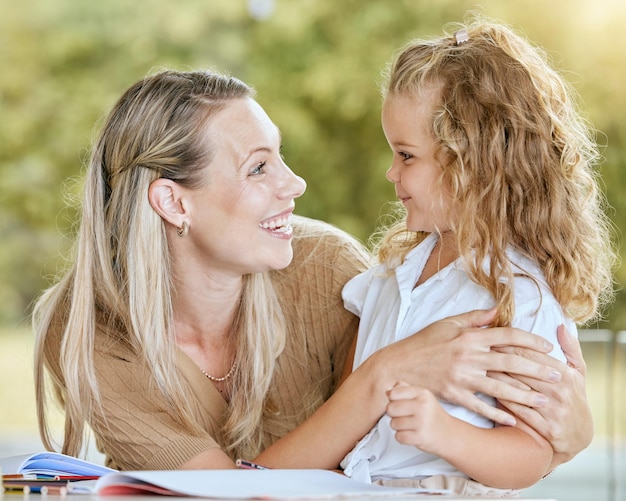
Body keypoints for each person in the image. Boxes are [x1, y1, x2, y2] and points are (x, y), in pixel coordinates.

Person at [33, 68, 595, 473]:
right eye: (258, 168)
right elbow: (224, 495)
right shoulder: (90, 330)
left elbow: (454, 439)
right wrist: (382, 376)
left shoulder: (329, 270)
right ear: (174, 203)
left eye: (280, 156)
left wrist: (566, 438)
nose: (295, 184)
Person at [339, 17, 616, 496]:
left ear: (473, 165)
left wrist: (446, 435)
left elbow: (531, 454)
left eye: (406, 156)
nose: (390, 172)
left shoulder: (517, 296)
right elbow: (346, 403)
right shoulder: (388, 278)